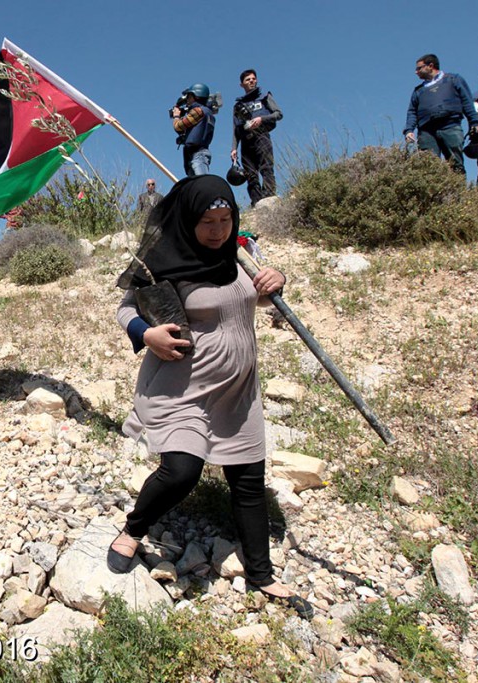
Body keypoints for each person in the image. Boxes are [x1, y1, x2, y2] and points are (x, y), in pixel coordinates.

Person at [110, 174, 313, 619]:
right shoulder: (163, 262)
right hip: (184, 387)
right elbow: (126, 309)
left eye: (226, 219)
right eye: (207, 221)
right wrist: (148, 335)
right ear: (188, 219)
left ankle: (261, 574)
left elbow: (254, 298)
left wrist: (275, 280)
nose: (218, 230)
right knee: (182, 471)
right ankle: (132, 529)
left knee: (247, 483)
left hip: (237, 391)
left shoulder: (238, 256)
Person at [404, 54, 478, 176]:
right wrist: (409, 130)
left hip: (450, 126)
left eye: (419, 68)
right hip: (426, 131)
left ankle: (459, 192)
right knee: (428, 166)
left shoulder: (453, 79)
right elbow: (412, 111)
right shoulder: (418, 91)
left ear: (430, 66)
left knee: (455, 162)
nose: (416, 72)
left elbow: (467, 101)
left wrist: (474, 122)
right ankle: (433, 195)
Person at [230, 69, 283, 206]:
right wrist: (234, 148)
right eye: (248, 80)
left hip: (262, 136)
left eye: (253, 78)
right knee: (250, 174)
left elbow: (278, 114)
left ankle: (270, 199)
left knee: (266, 168)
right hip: (246, 142)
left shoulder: (264, 97)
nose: (251, 81)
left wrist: (262, 119)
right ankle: (256, 203)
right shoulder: (238, 106)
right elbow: (236, 129)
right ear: (242, 84)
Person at [171, 83, 215, 177]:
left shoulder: (198, 111)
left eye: (189, 96)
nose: (187, 99)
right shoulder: (207, 112)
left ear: (196, 96)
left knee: (202, 182)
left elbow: (178, 126)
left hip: (197, 154)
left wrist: (176, 116)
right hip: (198, 152)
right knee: (196, 184)